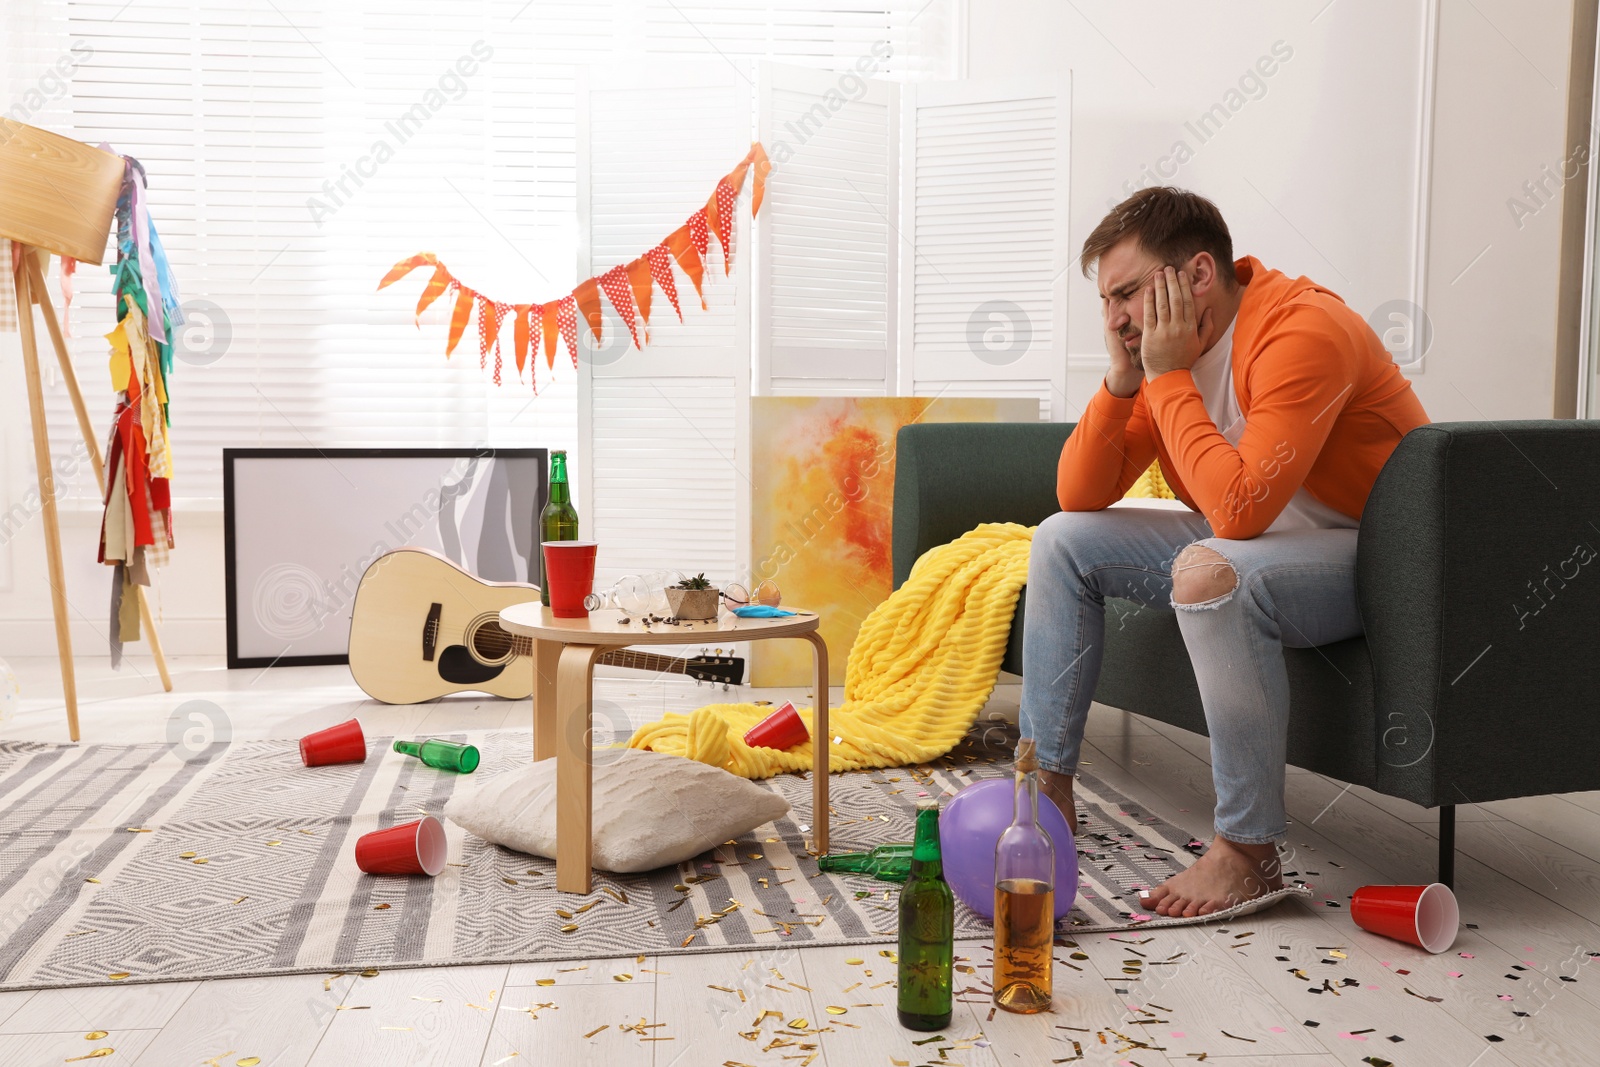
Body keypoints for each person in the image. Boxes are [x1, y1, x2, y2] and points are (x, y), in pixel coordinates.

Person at [1022, 186, 1429, 917]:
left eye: (1125, 295)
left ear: (1198, 275)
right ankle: (1045, 789)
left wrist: (1167, 375)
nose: (1114, 318)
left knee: (1212, 570)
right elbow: (1076, 493)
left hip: (1381, 558)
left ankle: (1248, 852)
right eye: (1105, 302)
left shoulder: (1304, 331)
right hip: (1266, 547)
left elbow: (1237, 512)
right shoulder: (1165, 356)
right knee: (1061, 543)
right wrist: (1123, 381)